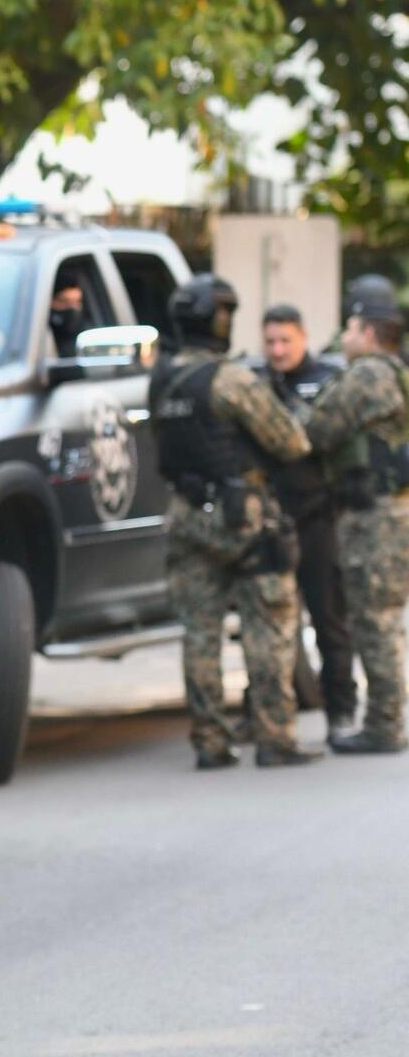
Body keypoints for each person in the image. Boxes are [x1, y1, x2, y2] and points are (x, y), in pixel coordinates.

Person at [148, 273, 316, 769]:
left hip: (185, 515)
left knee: (199, 632)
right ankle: (274, 738)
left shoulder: (160, 378)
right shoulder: (231, 379)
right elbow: (292, 442)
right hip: (243, 516)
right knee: (269, 625)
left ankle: (210, 742)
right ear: (221, 321)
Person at [302, 276, 409, 755]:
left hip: (373, 515)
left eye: (349, 328)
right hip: (392, 509)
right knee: (384, 617)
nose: (344, 338)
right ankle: (385, 718)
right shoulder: (399, 373)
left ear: (367, 332)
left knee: (374, 619)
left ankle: (384, 725)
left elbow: (318, 430)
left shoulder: (367, 375)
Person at [257, 304, 354, 732]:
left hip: (318, 517)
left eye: (285, 341)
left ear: (303, 337)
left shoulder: (329, 379)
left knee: (329, 619)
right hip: (272, 520)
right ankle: (272, 718)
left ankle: (341, 712)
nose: (278, 350)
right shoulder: (255, 384)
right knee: (268, 625)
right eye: (271, 341)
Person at [49, 266, 91, 358]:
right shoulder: (36, 337)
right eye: (64, 301)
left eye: (77, 302)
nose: (72, 308)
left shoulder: (89, 337)